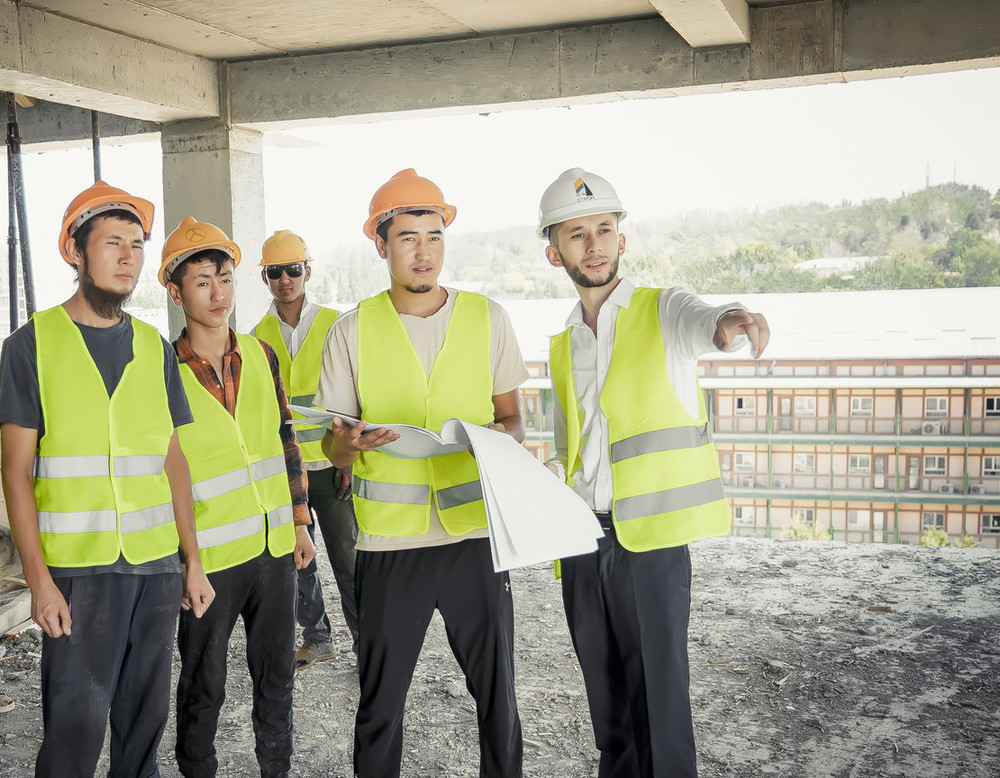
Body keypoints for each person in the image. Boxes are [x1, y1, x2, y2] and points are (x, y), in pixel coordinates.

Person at [537, 168, 770, 778]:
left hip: (651, 546)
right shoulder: (565, 342)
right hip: (581, 542)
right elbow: (571, 449)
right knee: (608, 712)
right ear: (555, 252)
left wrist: (729, 319)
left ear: (622, 239)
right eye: (577, 234)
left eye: (604, 229)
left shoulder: (663, 310)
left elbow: (704, 319)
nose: (594, 245)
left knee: (659, 710)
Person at [316, 169, 528, 778]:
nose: (423, 251)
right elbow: (333, 450)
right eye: (408, 238)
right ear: (381, 245)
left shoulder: (488, 318)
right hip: (390, 544)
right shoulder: (351, 330)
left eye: (434, 236)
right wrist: (347, 446)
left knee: (498, 699)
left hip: (473, 538)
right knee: (380, 706)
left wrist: (492, 440)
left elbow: (514, 421)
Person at [0, 181, 214, 778]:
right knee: (74, 733)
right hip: (78, 572)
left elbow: (173, 460)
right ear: (76, 251)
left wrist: (192, 560)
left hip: (155, 568)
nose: (128, 257)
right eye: (113, 242)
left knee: (144, 729)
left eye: (137, 245)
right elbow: (14, 471)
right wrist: (39, 582)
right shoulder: (30, 346)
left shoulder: (153, 346)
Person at [159, 217, 316, 778]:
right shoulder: (163, 372)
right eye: (202, 282)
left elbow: (285, 438)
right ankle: (197, 767)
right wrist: (186, 561)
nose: (217, 293)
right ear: (175, 293)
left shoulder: (260, 353)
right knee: (204, 681)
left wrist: (300, 521)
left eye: (224, 278)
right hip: (211, 560)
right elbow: (164, 472)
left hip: (274, 549)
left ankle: (277, 767)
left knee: (277, 675)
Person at [252, 230, 359, 668]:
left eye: (293, 270)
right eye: (275, 272)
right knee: (299, 561)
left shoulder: (336, 324)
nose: (285, 279)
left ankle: (367, 644)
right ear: (265, 277)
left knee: (348, 560)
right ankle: (317, 638)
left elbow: (356, 393)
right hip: (287, 471)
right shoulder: (256, 337)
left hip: (333, 465)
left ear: (307, 272)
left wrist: (350, 460)